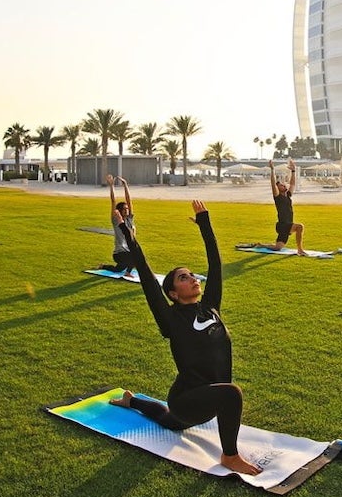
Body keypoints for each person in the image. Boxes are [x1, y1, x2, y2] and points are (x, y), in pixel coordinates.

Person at [109, 199, 262, 476]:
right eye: (183, 278)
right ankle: (229, 456)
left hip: (205, 401)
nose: (192, 278)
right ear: (172, 293)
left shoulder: (210, 307)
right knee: (232, 393)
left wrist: (204, 223)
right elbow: (145, 272)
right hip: (187, 400)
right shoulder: (171, 318)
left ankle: (131, 400)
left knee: (167, 419)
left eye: (192, 275)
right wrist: (125, 230)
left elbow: (215, 264)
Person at [242, 159, 306, 255]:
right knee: (300, 227)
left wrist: (293, 171)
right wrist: (272, 170)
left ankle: (260, 245)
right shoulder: (278, 197)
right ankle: (300, 250)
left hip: (285, 225)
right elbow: (273, 184)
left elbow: (292, 184)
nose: (283, 185)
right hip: (284, 225)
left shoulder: (288, 195)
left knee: (277, 247)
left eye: (283, 184)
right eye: (281, 185)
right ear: (278, 189)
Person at [100, 175, 136, 273]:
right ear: (119, 211)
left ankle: (103, 266)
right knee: (136, 256)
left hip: (127, 252)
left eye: (127, 209)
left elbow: (129, 200)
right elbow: (113, 201)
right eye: (124, 209)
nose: (126, 210)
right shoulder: (116, 220)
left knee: (118, 269)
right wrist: (111, 186)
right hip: (119, 254)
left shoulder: (129, 219)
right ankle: (128, 273)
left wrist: (125, 185)